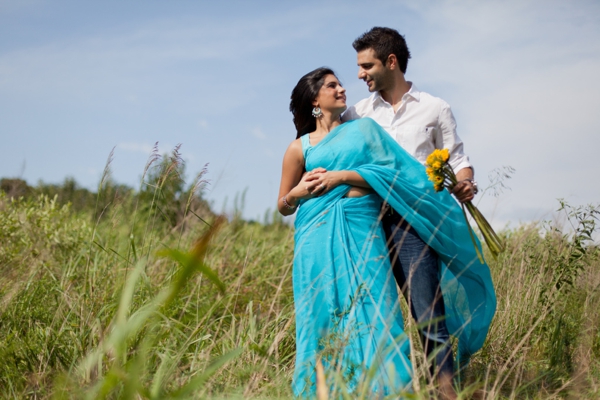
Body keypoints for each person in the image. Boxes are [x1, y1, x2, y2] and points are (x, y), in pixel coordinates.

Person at [278, 67, 495, 398]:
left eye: (340, 84)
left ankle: (386, 390)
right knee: (321, 316)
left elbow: (392, 173)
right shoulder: (299, 148)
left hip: (364, 229)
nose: (342, 89)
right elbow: (283, 204)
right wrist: (298, 193)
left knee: (378, 312)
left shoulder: (364, 129)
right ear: (314, 101)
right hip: (315, 236)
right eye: (332, 85)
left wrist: (341, 176)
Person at [342, 26, 488, 393]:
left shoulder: (434, 108)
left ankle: (446, 393)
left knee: (426, 314)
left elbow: (458, 158)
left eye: (366, 65)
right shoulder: (356, 114)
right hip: (366, 223)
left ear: (391, 62)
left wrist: (465, 181)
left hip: (414, 225)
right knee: (371, 314)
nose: (360, 74)